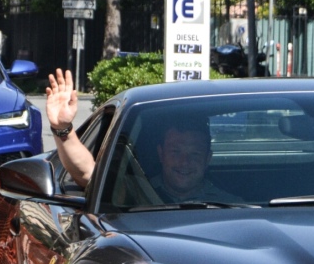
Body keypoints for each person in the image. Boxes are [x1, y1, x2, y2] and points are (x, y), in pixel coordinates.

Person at [45, 68, 237, 202]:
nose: (184, 162)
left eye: (194, 154)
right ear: (161, 154)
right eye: (175, 152)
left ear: (208, 159)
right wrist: (64, 128)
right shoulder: (132, 192)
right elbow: (87, 172)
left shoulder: (231, 206)